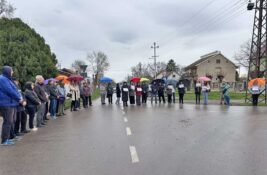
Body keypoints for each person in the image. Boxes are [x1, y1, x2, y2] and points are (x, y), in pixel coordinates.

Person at [0, 66, 24, 146]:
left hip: (11, 103)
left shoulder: (8, 79)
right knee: (8, 121)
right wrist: (19, 99)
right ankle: (4, 140)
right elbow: (9, 90)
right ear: (7, 71)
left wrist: (19, 96)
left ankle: (10, 137)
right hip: (6, 103)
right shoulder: (2, 79)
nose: (12, 72)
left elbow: (15, 90)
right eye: (11, 70)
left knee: (12, 121)